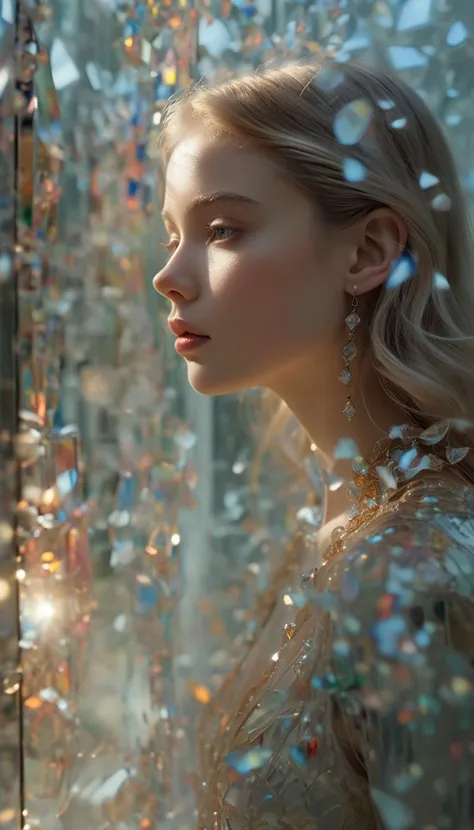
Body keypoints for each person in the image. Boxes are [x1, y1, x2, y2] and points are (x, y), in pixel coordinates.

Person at [153, 59, 474, 829]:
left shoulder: (412, 583)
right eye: (173, 235)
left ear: (366, 252)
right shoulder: (337, 528)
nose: (167, 276)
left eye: (223, 229)